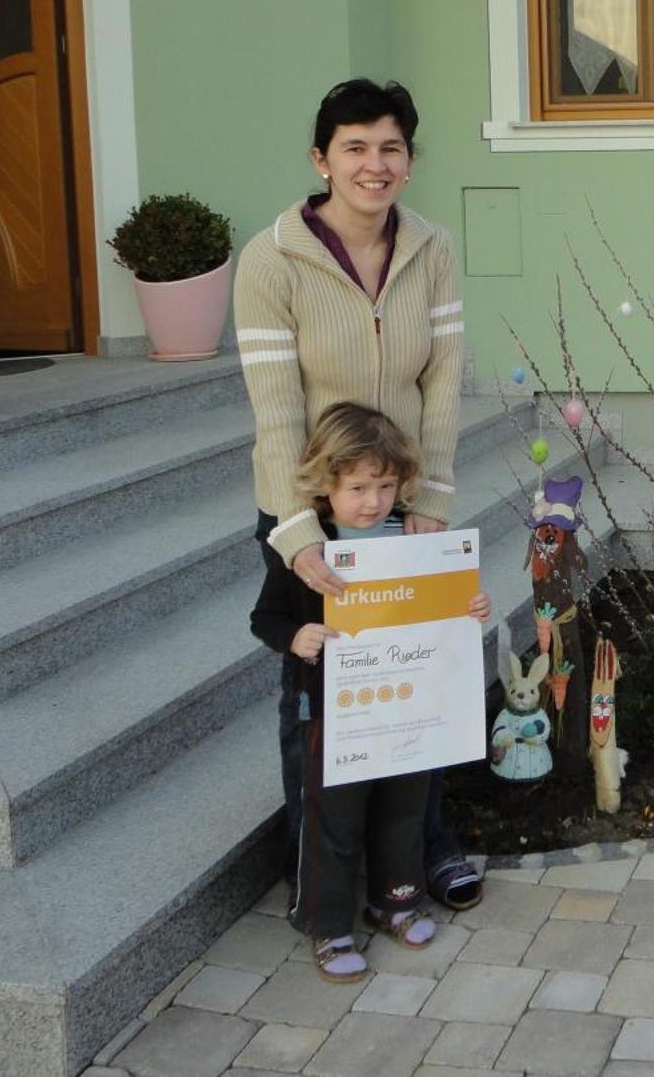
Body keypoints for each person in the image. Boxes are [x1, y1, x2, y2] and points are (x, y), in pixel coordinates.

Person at [233, 78, 482, 913]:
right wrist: (299, 530)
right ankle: (320, 872)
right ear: (322, 159)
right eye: (355, 148)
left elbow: (443, 381)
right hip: (315, 507)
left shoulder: (432, 248)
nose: (374, 165)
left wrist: (432, 497)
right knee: (321, 698)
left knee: (420, 681)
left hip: (402, 503)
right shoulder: (272, 260)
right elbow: (274, 408)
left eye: (391, 148)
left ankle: (423, 849)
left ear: (409, 162)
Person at [248, 404, 491, 980]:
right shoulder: (306, 547)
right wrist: (296, 635)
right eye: (356, 487)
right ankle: (328, 925)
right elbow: (265, 617)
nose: (372, 501)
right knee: (332, 817)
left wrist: (470, 609)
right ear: (323, 484)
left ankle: (396, 900)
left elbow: (442, 605)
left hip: (408, 708)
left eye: (384, 485)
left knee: (403, 807)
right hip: (334, 714)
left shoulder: (410, 536)